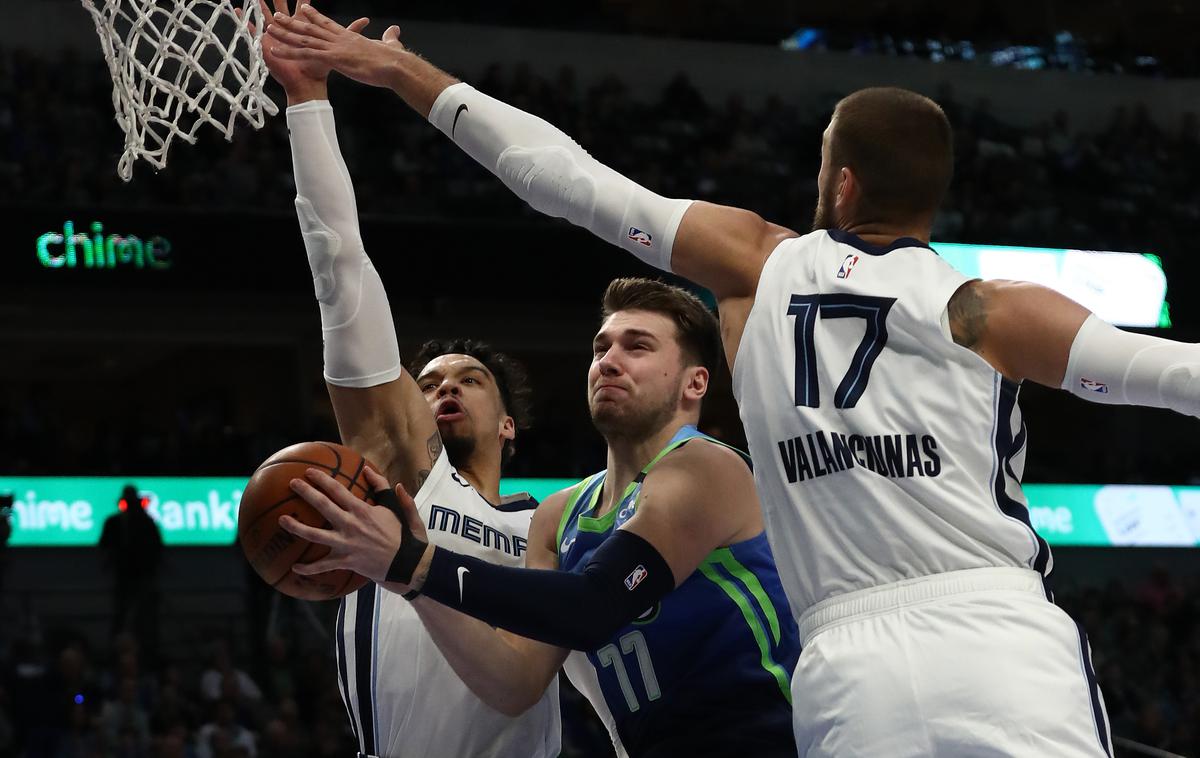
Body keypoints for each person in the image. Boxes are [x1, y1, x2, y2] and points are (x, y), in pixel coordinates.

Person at [266, 8, 1199, 754]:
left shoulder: (759, 266)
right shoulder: (992, 311)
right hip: (998, 633)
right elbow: (1166, 374)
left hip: (849, 670)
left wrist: (402, 73)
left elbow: (562, 178)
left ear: (836, 187)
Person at [282, 277, 800, 757]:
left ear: (695, 384)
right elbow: (514, 683)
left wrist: (416, 564)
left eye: (637, 346)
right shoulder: (559, 514)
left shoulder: (707, 468)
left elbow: (594, 604)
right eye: (602, 348)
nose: (609, 361)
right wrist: (414, 585)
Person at [250, 2, 560, 756]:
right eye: (427, 382)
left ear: (511, 425)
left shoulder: (554, 525)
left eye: (470, 379)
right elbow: (341, 268)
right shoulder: (399, 481)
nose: (443, 387)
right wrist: (307, 103)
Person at [98, 484, 163, 656]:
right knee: (121, 615)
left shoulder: (147, 523)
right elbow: (104, 546)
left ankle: (147, 652)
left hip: (143, 578)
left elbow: (156, 549)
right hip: (123, 577)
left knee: (144, 618)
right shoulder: (114, 523)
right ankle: (117, 652)